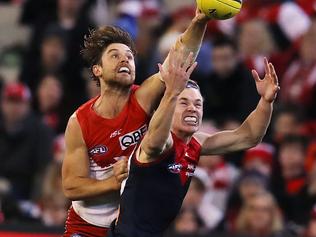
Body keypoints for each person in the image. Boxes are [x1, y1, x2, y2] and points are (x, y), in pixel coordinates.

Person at [61, 8, 211, 237]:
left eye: (129, 56)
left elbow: (178, 58)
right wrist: (116, 181)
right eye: (115, 55)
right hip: (88, 226)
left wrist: (200, 21)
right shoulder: (80, 121)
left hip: (133, 226)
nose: (125, 59)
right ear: (97, 70)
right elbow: (71, 186)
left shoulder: (144, 97)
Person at [109, 56, 280, 237]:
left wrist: (266, 102)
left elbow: (248, 137)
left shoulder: (196, 143)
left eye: (198, 104)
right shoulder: (159, 141)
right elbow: (154, 143)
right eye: (184, 103)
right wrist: (171, 93)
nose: (193, 108)